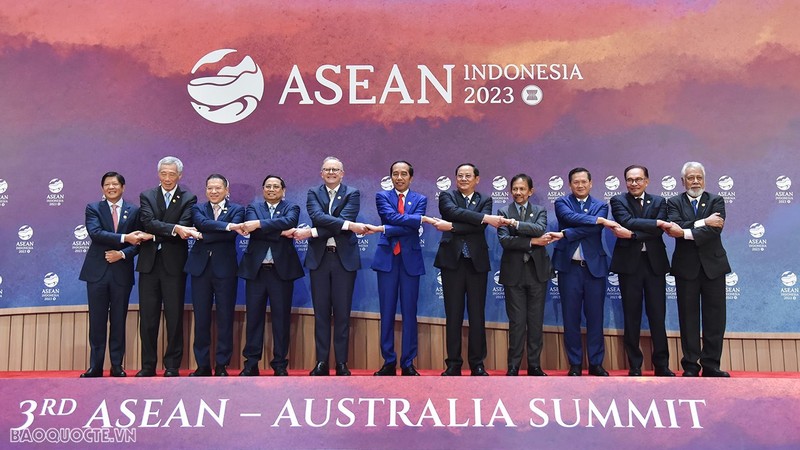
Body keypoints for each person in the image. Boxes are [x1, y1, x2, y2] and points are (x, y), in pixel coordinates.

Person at [293, 157, 373, 376]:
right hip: (319, 259)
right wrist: (347, 226)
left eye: (335, 169)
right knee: (320, 313)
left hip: (343, 260)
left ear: (342, 173)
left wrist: (313, 232)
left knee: (342, 313)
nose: (331, 172)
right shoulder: (312, 193)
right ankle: (321, 362)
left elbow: (341, 220)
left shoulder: (352, 193)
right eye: (327, 169)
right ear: (321, 173)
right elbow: (318, 216)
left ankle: (341, 363)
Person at [433, 163, 510, 376]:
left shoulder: (485, 199)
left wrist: (453, 226)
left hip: (476, 263)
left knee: (477, 315)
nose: (464, 179)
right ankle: (453, 364)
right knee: (453, 314)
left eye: (468, 176)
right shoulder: (446, 196)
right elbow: (451, 212)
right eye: (460, 175)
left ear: (477, 179)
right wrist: (483, 217)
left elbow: (479, 227)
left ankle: (477, 363)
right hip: (452, 262)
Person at [79, 172, 151, 378]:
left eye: (115, 184)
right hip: (96, 273)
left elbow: (138, 243)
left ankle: (117, 366)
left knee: (119, 320)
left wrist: (121, 253)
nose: (111, 187)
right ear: (102, 188)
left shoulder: (134, 211)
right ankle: (95, 366)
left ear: (123, 187)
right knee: (97, 321)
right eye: (107, 184)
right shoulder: (93, 208)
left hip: (121, 272)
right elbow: (96, 233)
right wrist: (124, 237)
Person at [370, 161, 438, 377]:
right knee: (387, 312)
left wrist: (387, 229)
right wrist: (415, 219)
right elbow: (391, 217)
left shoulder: (420, 199)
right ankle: (389, 361)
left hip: (410, 261)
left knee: (410, 313)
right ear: (390, 176)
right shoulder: (382, 196)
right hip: (387, 260)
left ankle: (408, 362)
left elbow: (411, 227)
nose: (399, 177)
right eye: (395, 174)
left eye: (403, 174)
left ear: (411, 177)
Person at [664, 161, 730, 377]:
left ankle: (711, 365)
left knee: (715, 318)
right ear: (683, 181)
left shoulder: (716, 200)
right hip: (686, 268)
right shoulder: (673, 202)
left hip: (714, 267)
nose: (695, 181)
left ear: (704, 179)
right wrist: (703, 223)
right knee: (688, 317)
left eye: (698, 177)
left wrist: (684, 232)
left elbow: (714, 231)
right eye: (690, 178)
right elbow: (674, 225)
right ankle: (691, 366)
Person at [136, 156, 199, 377]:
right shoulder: (147, 195)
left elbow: (184, 226)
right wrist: (173, 230)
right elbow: (147, 222)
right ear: (158, 174)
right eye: (164, 173)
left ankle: (172, 366)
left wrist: (158, 232)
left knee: (174, 317)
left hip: (174, 265)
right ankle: (148, 366)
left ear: (179, 176)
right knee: (148, 318)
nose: (167, 178)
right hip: (149, 265)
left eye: (172, 174)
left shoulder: (188, 198)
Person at [609, 165, 675, 377]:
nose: (634, 183)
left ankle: (662, 365)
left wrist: (633, 235)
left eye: (638, 179)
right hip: (629, 266)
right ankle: (635, 365)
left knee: (658, 315)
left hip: (654, 264)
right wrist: (656, 222)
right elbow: (626, 221)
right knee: (632, 316)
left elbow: (656, 233)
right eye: (630, 180)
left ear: (647, 181)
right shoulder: (618, 201)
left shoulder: (659, 201)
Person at [238, 175, 304, 376]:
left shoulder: (292, 207)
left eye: (276, 186)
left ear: (283, 191)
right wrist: (280, 231)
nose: (272, 189)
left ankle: (280, 364)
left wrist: (259, 225)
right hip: (256, 271)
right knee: (254, 318)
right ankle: (251, 364)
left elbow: (290, 222)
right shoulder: (252, 208)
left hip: (281, 272)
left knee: (281, 320)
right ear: (263, 189)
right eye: (268, 186)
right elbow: (252, 229)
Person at [552, 167, 616, 376]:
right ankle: (575, 364)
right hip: (569, 268)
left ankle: (596, 363)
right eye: (575, 182)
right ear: (570, 185)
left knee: (595, 318)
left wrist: (566, 233)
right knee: (571, 318)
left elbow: (593, 230)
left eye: (583, 182)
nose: (580, 185)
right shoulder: (562, 202)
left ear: (590, 183)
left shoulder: (600, 205)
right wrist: (597, 220)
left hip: (594, 269)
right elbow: (568, 216)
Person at [497, 174, 560, 376]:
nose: (518, 193)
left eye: (522, 189)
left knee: (535, 321)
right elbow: (505, 241)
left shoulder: (540, 211)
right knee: (516, 322)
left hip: (537, 273)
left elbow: (539, 228)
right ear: (510, 191)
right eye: (515, 189)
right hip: (513, 274)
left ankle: (534, 365)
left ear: (530, 191)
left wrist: (515, 225)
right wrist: (533, 241)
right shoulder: (502, 211)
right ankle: (513, 366)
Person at [184, 174, 244, 377]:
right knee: (201, 318)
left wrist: (202, 235)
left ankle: (221, 365)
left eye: (218, 188)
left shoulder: (238, 209)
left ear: (227, 190)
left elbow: (230, 235)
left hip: (225, 269)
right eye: (210, 188)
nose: (214, 191)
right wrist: (225, 227)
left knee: (225, 317)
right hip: (200, 269)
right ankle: (202, 365)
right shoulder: (198, 208)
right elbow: (201, 223)